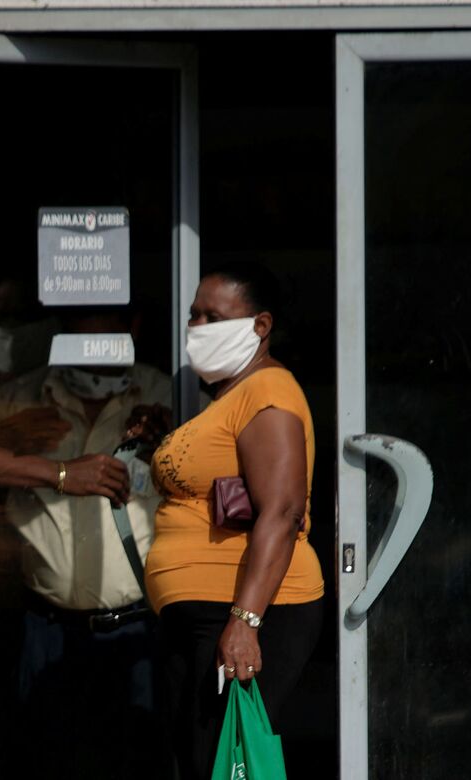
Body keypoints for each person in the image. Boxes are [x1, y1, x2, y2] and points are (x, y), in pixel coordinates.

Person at [143, 262, 325, 775]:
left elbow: (284, 511)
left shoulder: (269, 394)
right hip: (199, 614)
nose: (197, 327)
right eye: (193, 315)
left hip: (246, 611)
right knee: (197, 761)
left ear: (260, 326)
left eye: (212, 316)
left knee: (220, 762)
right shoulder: (227, 397)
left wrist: (245, 622)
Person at [0, 306, 175, 779]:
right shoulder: (17, 401)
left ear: (133, 328)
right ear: (61, 332)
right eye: (80, 338)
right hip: (44, 629)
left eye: (106, 350)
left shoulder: (166, 397)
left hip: (138, 627)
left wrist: (169, 440)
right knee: (46, 764)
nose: (94, 367)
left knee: (138, 764)